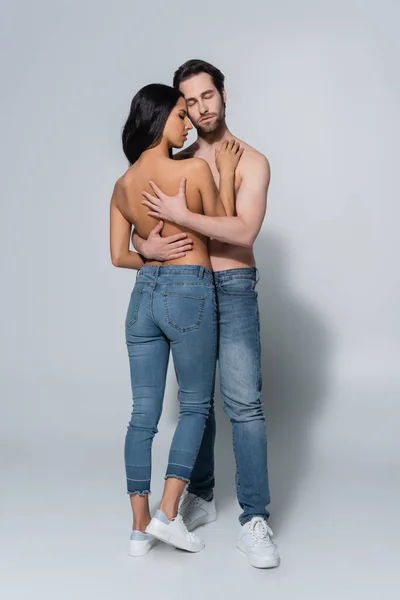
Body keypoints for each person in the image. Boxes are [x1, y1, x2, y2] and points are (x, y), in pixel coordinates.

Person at [133, 60, 281, 569]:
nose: (201, 109)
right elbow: (138, 218)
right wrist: (145, 242)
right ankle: (200, 495)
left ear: (223, 94)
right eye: (189, 102)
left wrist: (182, 215)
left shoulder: (253, 161)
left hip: (234, 285)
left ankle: (255, 518)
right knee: (197, 401)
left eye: (207, 96)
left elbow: (242, 233)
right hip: (186, 286)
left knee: (243, 402)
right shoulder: (179, 158)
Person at [109, 82, 243, 557]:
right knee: (194, 407)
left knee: (141, 415)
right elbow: (226, 229)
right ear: (159, 117)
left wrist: (147, 250)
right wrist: (224, 170)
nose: (188, 125)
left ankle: (137, 527)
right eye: (181, 117)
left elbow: (117, 256)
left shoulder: (124, 185)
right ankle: (168, 515)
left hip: (142, 296)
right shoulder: (193, 169)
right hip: (188, 291)